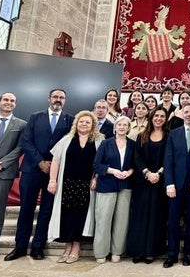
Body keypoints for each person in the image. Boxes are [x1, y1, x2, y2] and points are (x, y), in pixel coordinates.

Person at [5, 88, 74, 261]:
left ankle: (38, 247)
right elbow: (26, 142)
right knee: (26, 209)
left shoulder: (70, 120)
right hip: (32, 170)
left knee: (46, 211)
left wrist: (52, 165)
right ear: (49, 98)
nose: (58, 99)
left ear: (65, 100)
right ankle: (20, 247)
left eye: (61, 97)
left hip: (55, 172)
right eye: (55, 96)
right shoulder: (35, 117)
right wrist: (40, 162)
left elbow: (69, 145)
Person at [46, 110, 103, 263]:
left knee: (81, 215)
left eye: (87, 122)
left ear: (92, 126)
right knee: (66, 215)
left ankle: (76, 247)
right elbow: (56, 160)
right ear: (76, 123)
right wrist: (52, 180)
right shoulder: (66, 139)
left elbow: (102, 162)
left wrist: (96, 178)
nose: (84, 124)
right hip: (67, 184)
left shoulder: (99, 140)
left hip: (86, 185)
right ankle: (67, 246)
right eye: (81, 121)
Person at [163, 103, 190, 268]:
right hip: (176, 185)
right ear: (182, 114)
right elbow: (168, 159)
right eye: (185, 112)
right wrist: (169, 183)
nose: (188, 115)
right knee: (173, 220)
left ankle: (188, 252)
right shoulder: (173, 134)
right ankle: (172, 254)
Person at [127, 107, 169, 263]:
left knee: (156, 217)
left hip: (159, 181)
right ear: (151, 117)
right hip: (142, 182)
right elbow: (136, 157)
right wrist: (147, 173)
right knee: (140, 216)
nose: (158, 118)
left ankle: (151, 251)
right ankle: (138, 251)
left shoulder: (169, 136)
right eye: (156, 115)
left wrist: (158, 173)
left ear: (165, 119)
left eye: (162, 116)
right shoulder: (141, 136)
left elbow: (168, 157)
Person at [93, 115, 135, 264]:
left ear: (129, 128)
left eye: (125, 125)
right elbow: (97, 165)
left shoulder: (133, 144)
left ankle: (117, 251)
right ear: (115, 127)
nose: (122, 127)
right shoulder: (106, 143)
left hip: (125, 186)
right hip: (107, 185)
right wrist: (112, 171)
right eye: (119, 125)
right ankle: (101, 252)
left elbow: (135, 165)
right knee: (103, 219)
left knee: (121, 220)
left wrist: (129, 172)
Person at [0, 93, 26, 261]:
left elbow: (19, 148)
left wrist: (0, 164)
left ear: (15, 104)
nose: (9, 103)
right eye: (6, 99)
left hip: (4, 173)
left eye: (12, 100)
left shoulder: (21, 124)